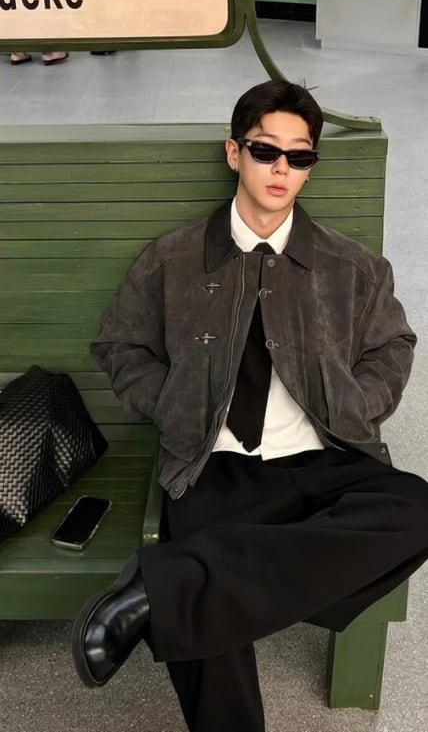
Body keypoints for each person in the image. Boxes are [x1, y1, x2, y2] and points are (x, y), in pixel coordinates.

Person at [72, 79, 428, 732]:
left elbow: (393, 344)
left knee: (415, 509)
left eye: (299, 156)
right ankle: (190, 582)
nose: (281, 168)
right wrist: (174, 405)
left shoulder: (351, 266)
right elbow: (118, 345)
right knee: (209, 618)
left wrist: (358, 402)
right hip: (214, 463)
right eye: (266, 151)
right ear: (234, 152)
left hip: (323, 455)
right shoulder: (173, 259)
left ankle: (164, 584)